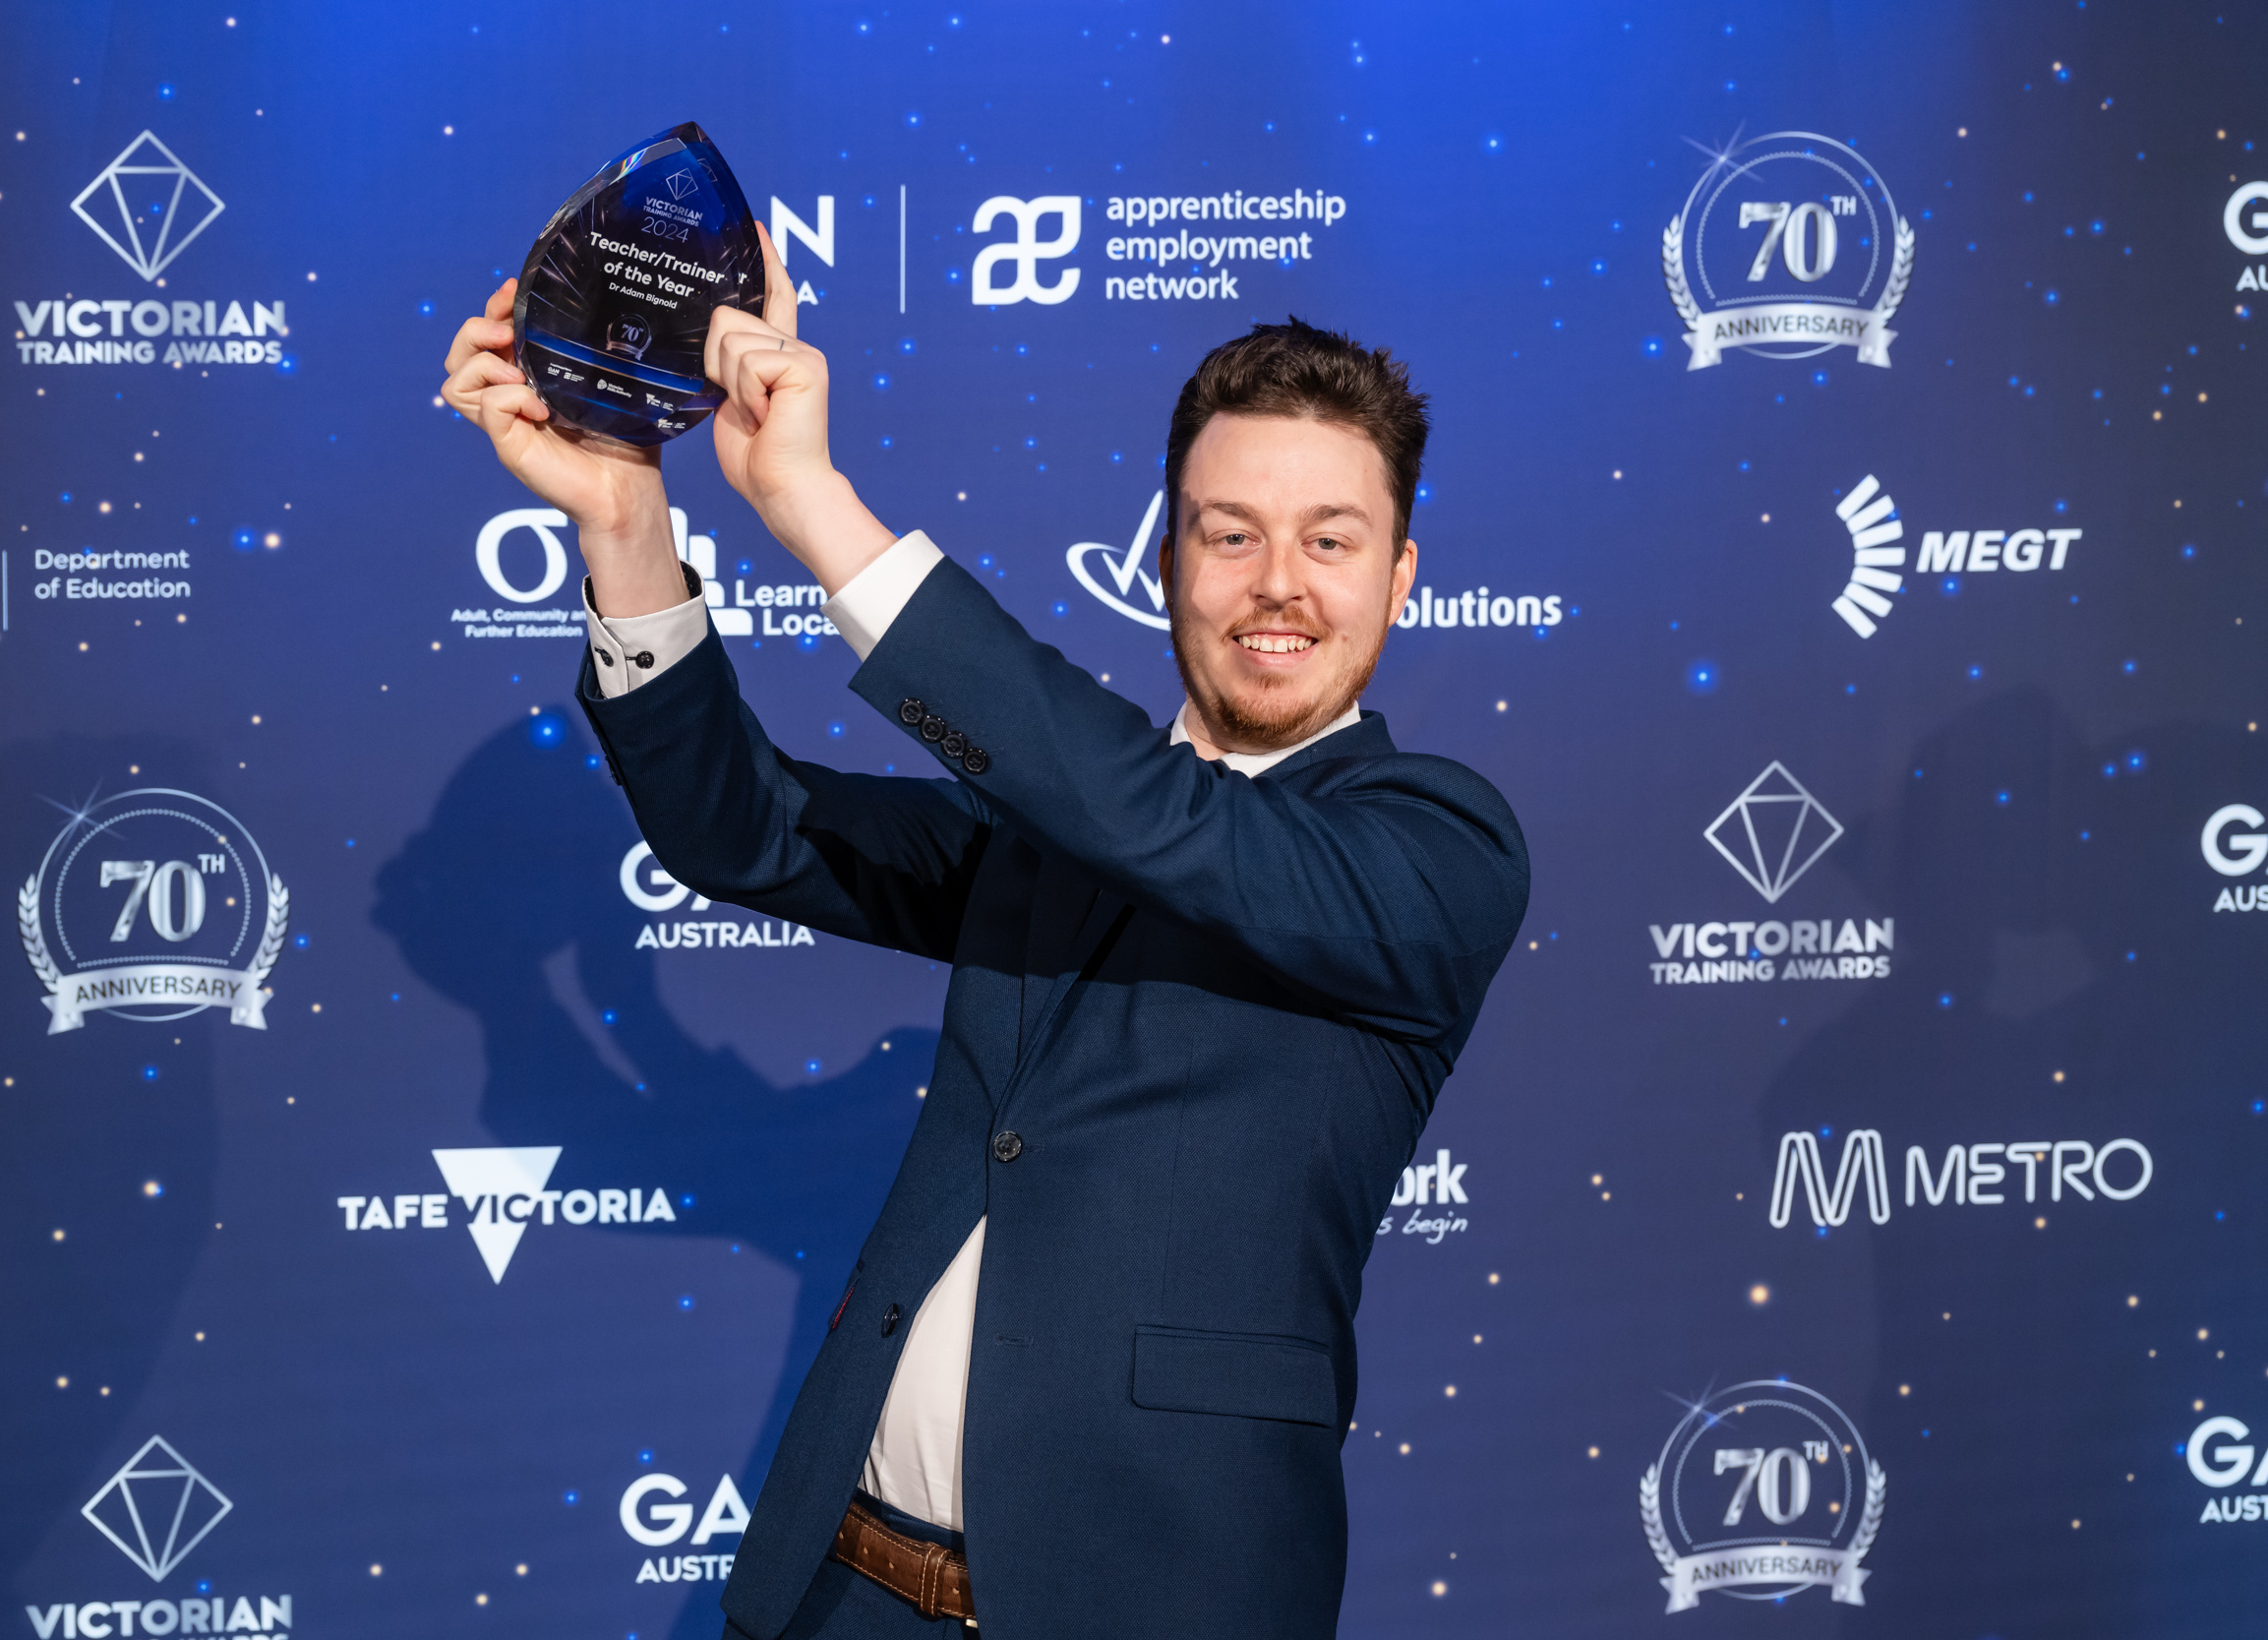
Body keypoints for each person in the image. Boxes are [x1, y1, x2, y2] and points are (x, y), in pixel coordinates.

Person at [442, 232, 1529, 1640]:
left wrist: (812, 502)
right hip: (841, 1588)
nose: (1278, 584)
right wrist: (626, 523)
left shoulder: (1438, 847)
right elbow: (749, 832)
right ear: (1166, 559)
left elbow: (1172, 829)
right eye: (1230, 532)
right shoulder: (1061, 828)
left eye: (1332, 540)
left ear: (1400, 578)